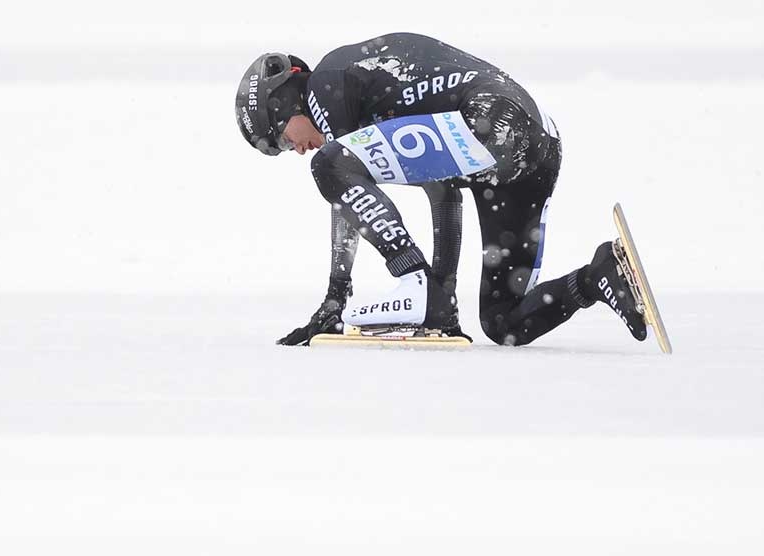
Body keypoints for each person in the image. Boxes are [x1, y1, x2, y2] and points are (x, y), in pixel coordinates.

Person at [234, 32, 649, 346]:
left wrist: (335, 298)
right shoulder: (392, 113)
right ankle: (598, 276)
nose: (294, 150)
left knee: (330, 165)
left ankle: (414, 280)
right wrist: (443, 297)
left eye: (281, 139)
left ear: (282, 102)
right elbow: (443, 191)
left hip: (492, 123)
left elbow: (340, 176)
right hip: (534, 141)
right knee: (504, 323)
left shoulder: (325, 82)